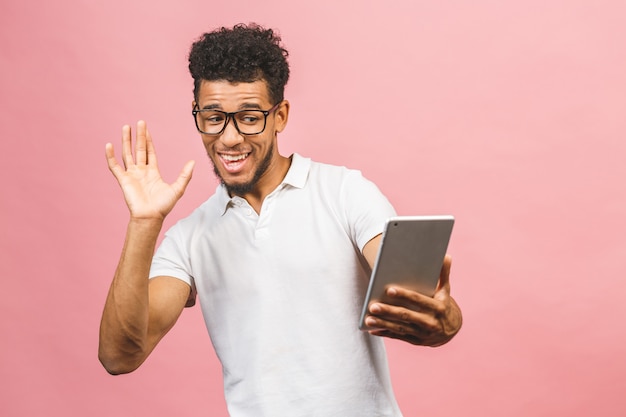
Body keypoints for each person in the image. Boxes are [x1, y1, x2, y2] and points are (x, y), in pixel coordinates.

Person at [98, 23, 462, 416]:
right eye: (214, 116)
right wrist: (144, 223)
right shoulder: (190, 238)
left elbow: (414, 298)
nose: (230, 137)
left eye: (250, 117)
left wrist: (446, 319)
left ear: (280, 115)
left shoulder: (344, 192)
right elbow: (120, 357)